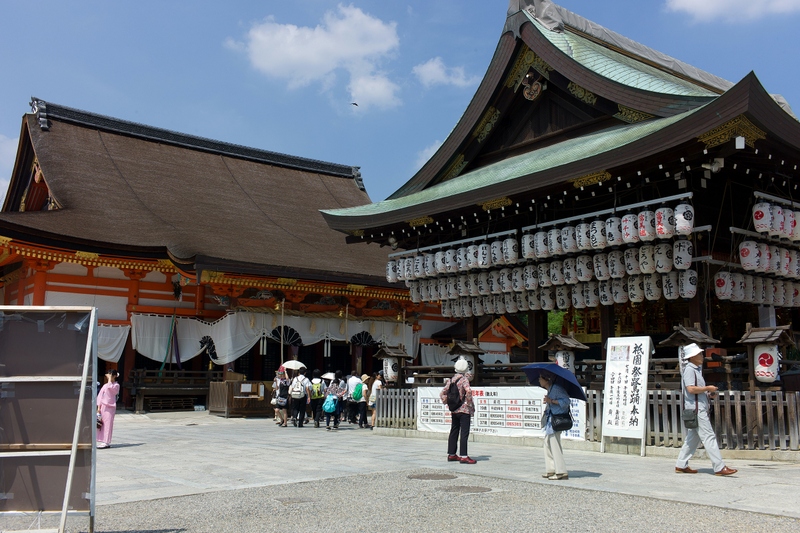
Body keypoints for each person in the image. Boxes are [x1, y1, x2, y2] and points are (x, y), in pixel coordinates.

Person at [675, 343, 738, 476]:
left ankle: (681, 464)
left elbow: (695, 390)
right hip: (697, 410)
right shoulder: (690, 370)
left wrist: (708, 394)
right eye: (699, 354)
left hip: (698, 407)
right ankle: (719, 467)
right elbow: (691, 389)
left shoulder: (695, 370)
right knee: (709, 436)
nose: (702, 356)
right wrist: (707, 388)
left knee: (693, 438)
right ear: (692, 357)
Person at [440, 358, 476, 464]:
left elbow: (442, 393)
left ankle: (451, 454)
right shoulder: (464, 379)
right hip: (464, 409)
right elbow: (468, 391)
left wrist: (447, 402)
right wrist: (468, 403)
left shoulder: (451, 380)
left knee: (454, 430)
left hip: (454, 409)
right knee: (464, 433)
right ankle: (464, 456)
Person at [539, 369, 570, 480]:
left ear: (546, 379)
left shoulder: (556, 388)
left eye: (540, 378)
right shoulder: (550, 389)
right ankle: (551, 469)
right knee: (547, 443)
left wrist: (551, 401)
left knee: (554, 444)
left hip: (556, 420)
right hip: (550, 420)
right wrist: (549, 401)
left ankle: (561, 471)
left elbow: (566, 402)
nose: (539, 380)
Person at [96, 369, 120, 449]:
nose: (109, 377)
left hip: (110, 407)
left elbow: (112, 390)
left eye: (111, 375)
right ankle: (102, 440)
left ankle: (106, 442)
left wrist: (110, 379)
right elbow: (100, 396)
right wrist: (98, 407)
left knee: (108, 424)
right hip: (103, 406)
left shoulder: (116, 385)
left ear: (114, 376)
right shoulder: (105, 385)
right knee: (101, 424)